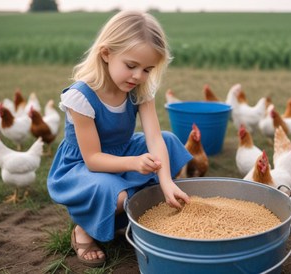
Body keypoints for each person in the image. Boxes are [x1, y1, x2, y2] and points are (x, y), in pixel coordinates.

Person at [47, 10, 193, 267]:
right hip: (81, 165)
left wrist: (167, 180)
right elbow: (93, 160)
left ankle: (144, 204)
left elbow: (154, 137)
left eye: (147, 69)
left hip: (122, 152)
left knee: (169, 142)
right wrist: (135, 164)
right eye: (131, 66)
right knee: (114, 194)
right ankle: (83, 228)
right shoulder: (81, 97)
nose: (138, 76)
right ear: (106, 54)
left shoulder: (140, 89)